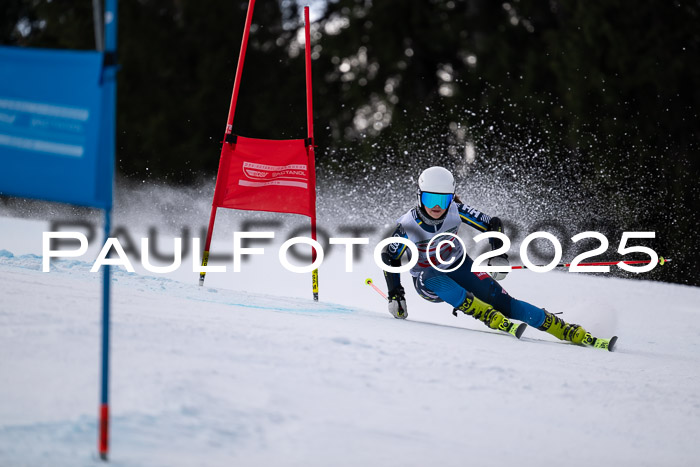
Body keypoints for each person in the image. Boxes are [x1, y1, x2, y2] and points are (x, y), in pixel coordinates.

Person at [380, 166, 613, 349]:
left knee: (506, 304)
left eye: (443, 200)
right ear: (419, 197)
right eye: (431, 200)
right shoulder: (407, 226)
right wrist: (395, 294)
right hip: (429, 282)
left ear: (451, 198)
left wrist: (498, 254)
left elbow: (493, 224)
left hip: (459, 266)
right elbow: (388, 257)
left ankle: (565, 329)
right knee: (429, 273)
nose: (437, 207)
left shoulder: (456, 210)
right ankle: (482, 313)